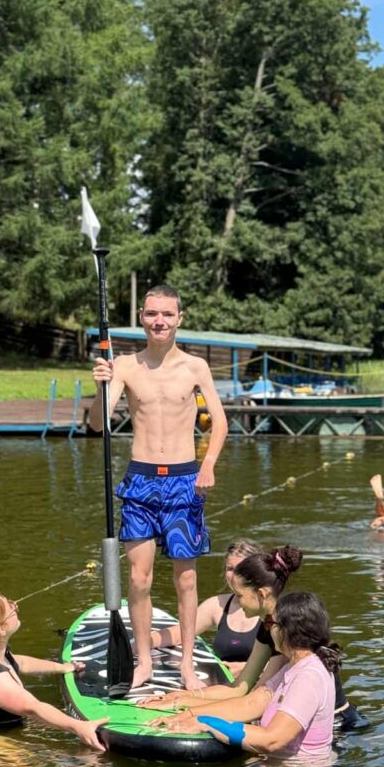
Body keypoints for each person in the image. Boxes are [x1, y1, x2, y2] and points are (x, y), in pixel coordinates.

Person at [89, 284, 228, 691]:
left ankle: (186, 663)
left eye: (167, 314)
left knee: (186, 579)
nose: (159, 321)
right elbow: (98, 425)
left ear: (179, 318)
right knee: (139, 577)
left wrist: (209, 464)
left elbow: (219, 421)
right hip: (140, 481)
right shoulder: (126, 366)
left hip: (185, 480)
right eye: (152, 314)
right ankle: (144, 661)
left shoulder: (195, 367)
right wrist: (100, 386)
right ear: (142, 318)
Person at [140, 545, 369, 732]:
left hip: (338, 727)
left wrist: (190, 712)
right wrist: (184, 697)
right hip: (292, 719)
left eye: (240, 595)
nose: (237, 601)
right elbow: (239, 689)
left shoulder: (286, 630)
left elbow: (256, 702)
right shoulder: (267, 624)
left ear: (261, 594)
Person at [149, 592, 341, 767]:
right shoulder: (294, 667)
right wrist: (186, 713)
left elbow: (272, 740)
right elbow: (250, 703)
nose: (268, 629)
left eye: (270, 623)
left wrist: (207, 723)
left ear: (287, 630)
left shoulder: (309, 677)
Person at [0, 590, 107, 751]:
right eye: (9, 606)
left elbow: (22, 663)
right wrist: (78, 726)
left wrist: (64, 667)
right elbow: (32, 708)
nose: (14, 605)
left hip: (2, 733)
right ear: (1, 629)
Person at [151, 537, 266, 677]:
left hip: (261, 686)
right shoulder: (216, 605)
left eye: (241, 569)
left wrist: (246, 668)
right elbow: (179, 634)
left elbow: (291, 659)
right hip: (223, 683)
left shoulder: (272, 608)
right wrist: (140, 644)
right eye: (230, 569)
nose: (234, 575)